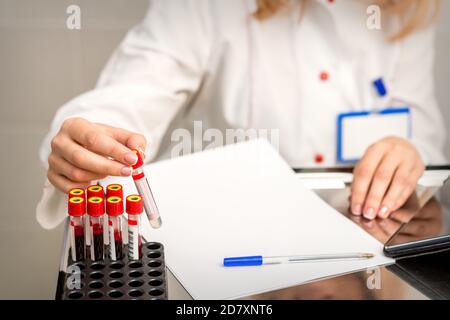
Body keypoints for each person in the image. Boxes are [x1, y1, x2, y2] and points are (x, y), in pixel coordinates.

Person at [37, 0, 446, 228]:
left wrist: (407, 152)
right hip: (237, 242)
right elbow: (132, 93)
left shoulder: (406, 7)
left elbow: (424, 135)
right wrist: (87, 138)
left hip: (369, 240)